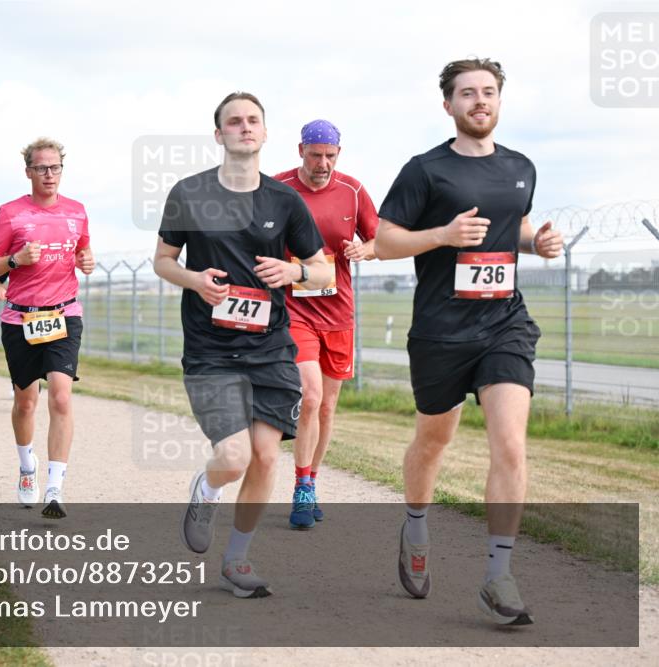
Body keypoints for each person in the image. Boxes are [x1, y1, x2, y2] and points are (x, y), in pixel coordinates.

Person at [374, 58, 564, 625]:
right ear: (448, 106)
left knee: (509, 443)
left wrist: (539, 241)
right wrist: (443, 235)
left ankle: (498, 575)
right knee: (434, 440)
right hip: (440, 329)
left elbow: (514, 227)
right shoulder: (425, 170)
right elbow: (383, 242)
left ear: (499, 102)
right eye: (467, 94)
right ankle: (414, 523)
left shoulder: (521, 167)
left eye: (488, 92)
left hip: (504, 322)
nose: (479, 101)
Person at [154, 92, 333, 599]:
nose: (244, 127)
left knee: (265, 457)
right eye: (234, 121)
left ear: (265, 133)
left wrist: (295, 270)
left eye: (253, 120)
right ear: (219, 135)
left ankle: (237, 561)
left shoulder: (284, 201)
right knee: (232, 457)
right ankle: (207, 489)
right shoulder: (188, 192)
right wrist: (194, 280)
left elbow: (324, 270)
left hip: (270, 348)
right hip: (211, 349)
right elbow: (162, 260)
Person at [0, 137, 94, 519]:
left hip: (64, 314)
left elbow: (81, 251)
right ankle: (27, 467)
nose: (50, 175)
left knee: (60, 396)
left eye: (55, 167)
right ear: (28, 171)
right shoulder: (10, 214)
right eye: (42, 168)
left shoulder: (77, 211)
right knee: (25, 401)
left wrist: (86, 260)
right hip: (21, 317)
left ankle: (55, 489)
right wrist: (14, 260)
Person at [274, 120, 379, 530]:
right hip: (294, 310)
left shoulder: (352, 190)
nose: (322, 164)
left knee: (329, 407)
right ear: (301, 149)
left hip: (338, 311)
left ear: (339, 153)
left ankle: (312, 481)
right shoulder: (279, 188)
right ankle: (301, 485)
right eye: (315, 155)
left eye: (330, 156)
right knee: (311, 396)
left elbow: (380, 239)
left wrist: (363, 249)